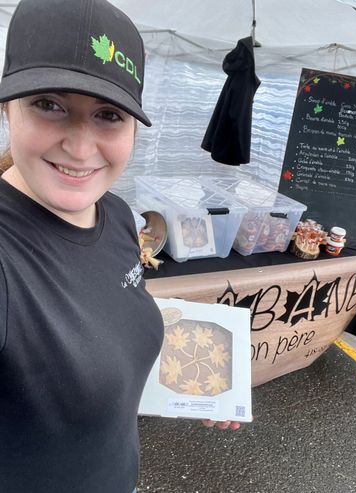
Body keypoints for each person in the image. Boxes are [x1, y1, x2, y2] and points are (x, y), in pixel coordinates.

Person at [0, 1, 239, 491]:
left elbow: (106, 319)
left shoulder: (116, 216)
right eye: (49, 104)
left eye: (108, 114)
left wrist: (207, 387)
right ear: (7, 108)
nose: (81, 147)